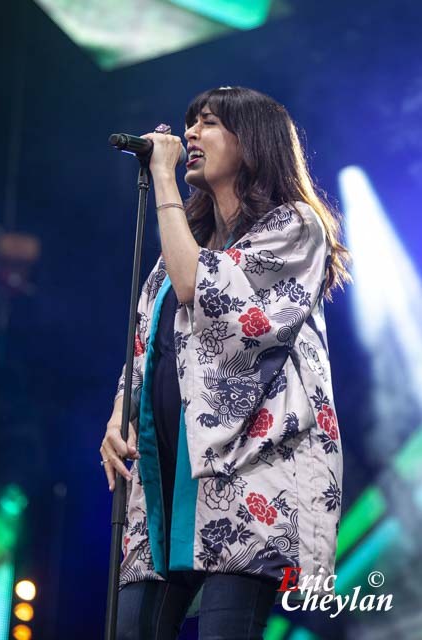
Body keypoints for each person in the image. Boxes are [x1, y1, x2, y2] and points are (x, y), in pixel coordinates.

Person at [100, 86, 352, 640]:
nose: (189, 135)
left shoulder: (295, 228)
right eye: (190, 124)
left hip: (248, 481)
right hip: (165, 486)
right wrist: (119, 415)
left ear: (252, 141)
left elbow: (205, 291)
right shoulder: (176, 251)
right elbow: (145, 350)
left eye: (208, 123)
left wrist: (162, 178)